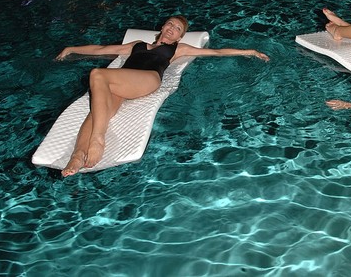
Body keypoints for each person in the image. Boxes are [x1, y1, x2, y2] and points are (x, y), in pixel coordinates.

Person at [56, 16, 269, 177]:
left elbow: (217, 52)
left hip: (147, 80)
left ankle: (97, 139)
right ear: (162, 27)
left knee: (97, 74)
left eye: (177, 29)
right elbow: (102, 49)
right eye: (170, 24)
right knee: (96, 110)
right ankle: (77, 156)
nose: (172, 29)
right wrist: (71, 48)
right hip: (121, 83)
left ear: (180, 37)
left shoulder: (178, 49)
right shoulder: (136, 45)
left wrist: (249, 51)